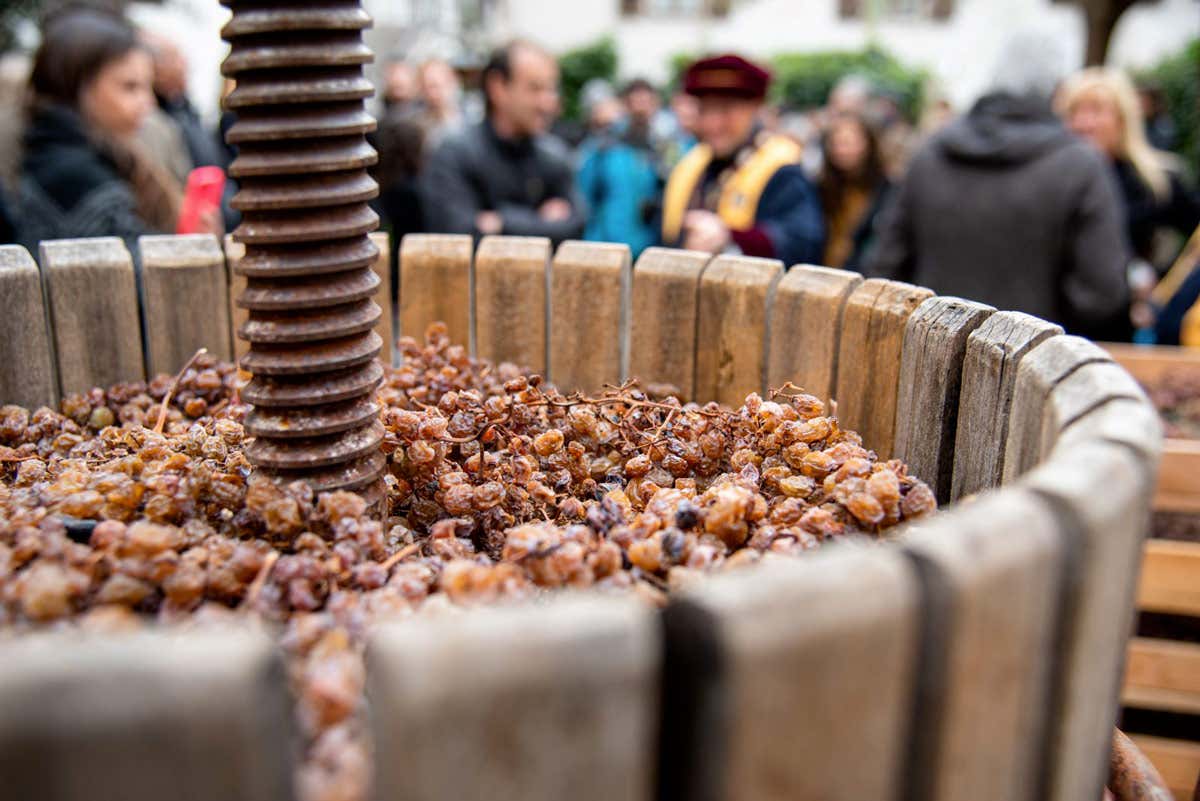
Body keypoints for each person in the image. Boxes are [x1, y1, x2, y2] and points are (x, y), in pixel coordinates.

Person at [864, 31, 1130, 339]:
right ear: (1057, 90)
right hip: (1033, 364)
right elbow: (1102, 293)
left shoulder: (931, 154)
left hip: (929, 359)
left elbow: (884, 269)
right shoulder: (1079, 165)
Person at [17, 9, 216, 250]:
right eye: (129, 87)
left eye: (148, 87)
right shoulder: (73, 175)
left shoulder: (101, 157)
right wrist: (190, 248)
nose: (148, 102)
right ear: (76, 86)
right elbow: (130, 279)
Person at [661, 54, 823, 267]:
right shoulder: (690, 165)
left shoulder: (782, 168)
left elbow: (802, 242)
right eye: (704, 110)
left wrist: (730, 239)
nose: (712, 123)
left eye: (726, 110)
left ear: (754, 108)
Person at [421, 40, 584, 245]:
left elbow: (575, 227)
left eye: (551, 90)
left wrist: (501, 221)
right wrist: (539, 222)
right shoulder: (453, 153)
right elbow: (457, 235)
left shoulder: (554, 156)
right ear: (498, 87)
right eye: (535, 89)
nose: (548, 102)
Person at [1057, 68, 1200, 270]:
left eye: (1096, 110)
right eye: (1074, 112)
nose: (1083, 123)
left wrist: (1161, 285)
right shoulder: (1054, 183)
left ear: (1122, 118)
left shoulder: (1154, 179)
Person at [576, 79, 663, 256]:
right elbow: (582, 200)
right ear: (625, 106)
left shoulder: (661, 150)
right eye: (636, 103)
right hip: (603, 251)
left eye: (646, 103)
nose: (641, 110)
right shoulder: (602, 147)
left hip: (645, 253)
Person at [818, 112, 890, 271]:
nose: (842, 150)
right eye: (837, 143)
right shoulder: (822, 187)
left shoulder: (886, 191)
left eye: (849, 143)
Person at [417, 58, 464, 147]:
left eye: (435, 86)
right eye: (426, 87)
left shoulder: (473, 119)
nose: (432, 93)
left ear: (452, 82)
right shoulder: (418, 125)